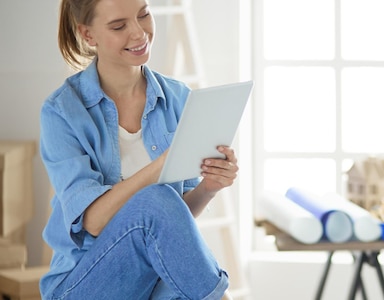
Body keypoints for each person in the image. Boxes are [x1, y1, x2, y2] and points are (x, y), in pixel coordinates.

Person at [39, 0, 236, 299]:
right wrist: (163, 165)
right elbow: (92, 221)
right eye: (119, 26)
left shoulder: (179, 97)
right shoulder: (62, 112)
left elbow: (173, 222)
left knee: (181, 274)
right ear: (88, 35)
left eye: (144, 15)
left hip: (155, 280)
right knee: (156, 199)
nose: (139, 33)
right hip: (83, 283)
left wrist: (209, 187)